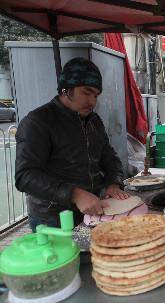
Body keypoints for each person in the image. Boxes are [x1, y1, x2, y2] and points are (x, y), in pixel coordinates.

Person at [15, 57, 129, 231]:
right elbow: (25, 176)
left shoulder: (93, 121)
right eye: (87, 92)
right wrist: (74, 194)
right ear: (66, 89)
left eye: (96, 95)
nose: (92, 101)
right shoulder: (38, 122)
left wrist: (114, 182)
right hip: (52, 219)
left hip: (93, 212)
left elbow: (109, 157)